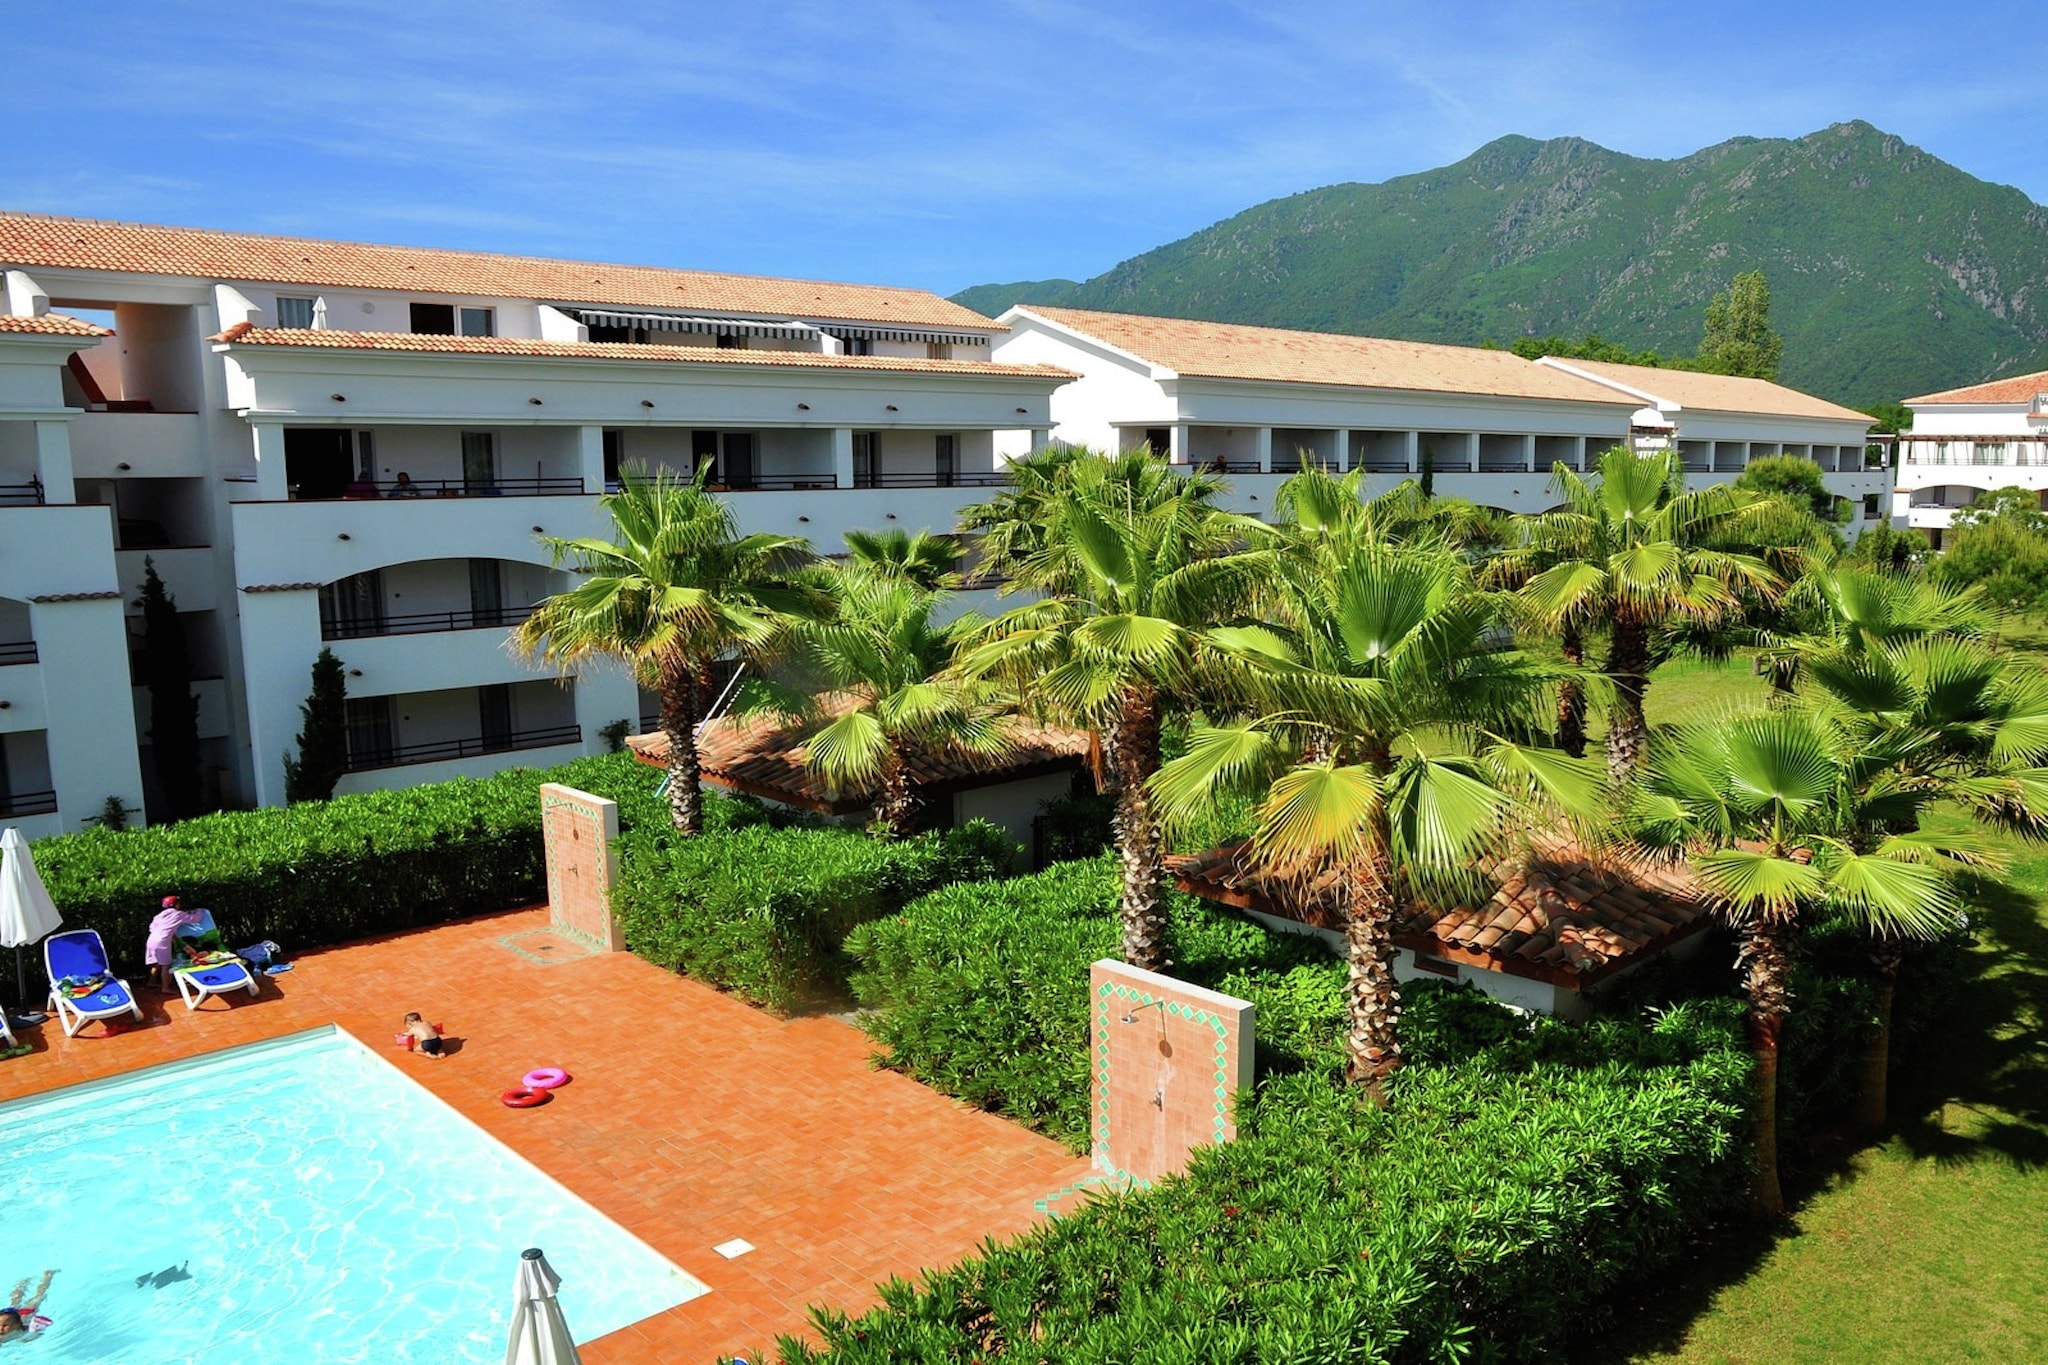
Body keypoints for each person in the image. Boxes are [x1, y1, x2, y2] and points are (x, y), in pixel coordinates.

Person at [144, 895, 206, 994]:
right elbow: (195, 919)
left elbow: (152, 928)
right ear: (176, 904)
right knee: (166, 965)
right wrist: (200, 911)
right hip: (162, 941)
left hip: (151, 940)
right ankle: (165, 988)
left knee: (157, 963)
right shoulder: (178, 914)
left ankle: (151, 982)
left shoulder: (158, 916)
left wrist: (170, 934)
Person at [0, 1270, 54, 1341]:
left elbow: (36, 1334)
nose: (1, 1328)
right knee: (15, 1299)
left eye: (5, 1325)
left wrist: (27, 1339)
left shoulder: (23, 1330)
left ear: (16, 1326)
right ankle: (23, 1283)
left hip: (27, 1313)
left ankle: (47, 1277)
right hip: (13, 1313)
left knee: (38, 1297)